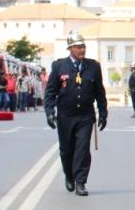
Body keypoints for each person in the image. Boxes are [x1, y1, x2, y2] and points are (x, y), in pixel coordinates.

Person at [45, 31, 109, 196]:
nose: (82, 50)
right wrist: (50, 112)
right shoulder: (59, 66)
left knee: (82, 148)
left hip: (85, 116)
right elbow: (50, 92)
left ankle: (80, 182)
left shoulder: (93, 66)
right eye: (79, 47)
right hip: (65, 116)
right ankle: (69, 174)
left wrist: (103, 112)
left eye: (83, 46)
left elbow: (99, 92)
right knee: (66, 149)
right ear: (70, 48)